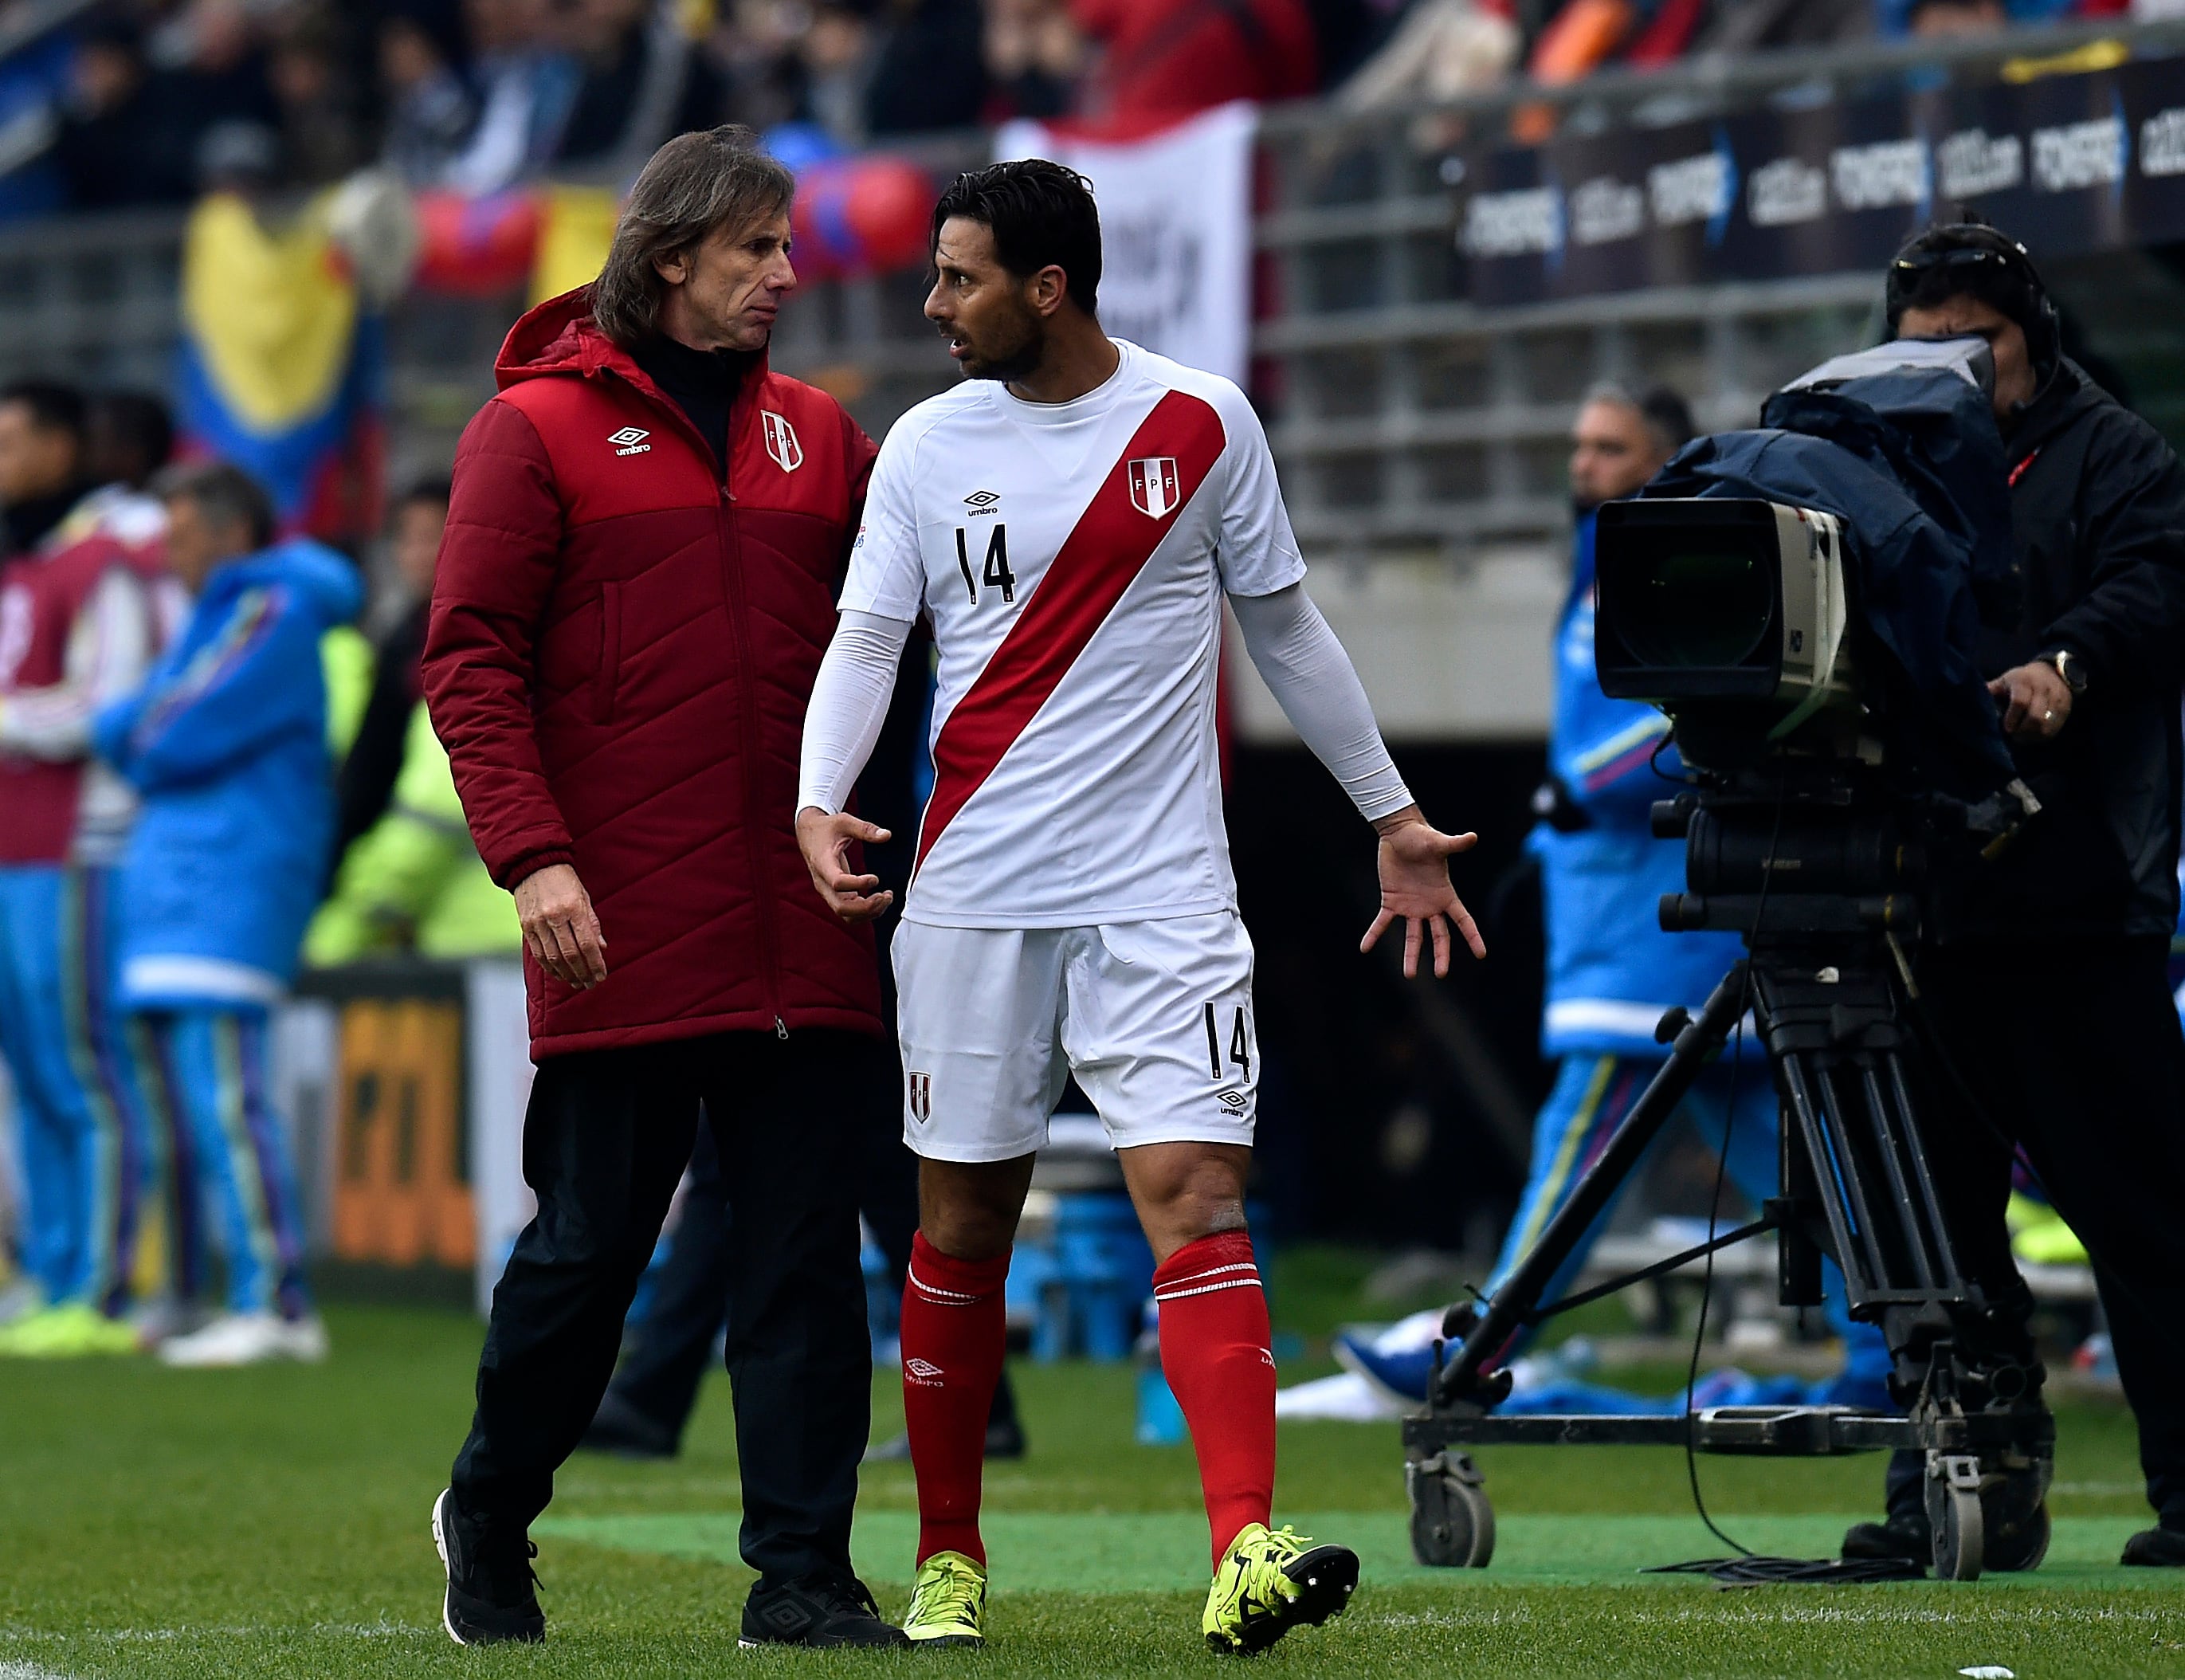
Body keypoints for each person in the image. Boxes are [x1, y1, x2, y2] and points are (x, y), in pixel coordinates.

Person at [795, 158, 1482, 1654]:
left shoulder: (1198, 421)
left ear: (1048, 288)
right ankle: (950, 1555)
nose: (933, 304)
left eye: (959, 277)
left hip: (1161, 892)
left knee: (1196, 1195)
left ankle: (1243, 1542)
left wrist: (1392, 816)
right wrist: (814, 795)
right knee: (962, 1219)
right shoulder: (922, 444)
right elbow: (865, 638)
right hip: (971, 890)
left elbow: (1285, 625)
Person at [421, 126, 904, 1651]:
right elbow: (467, 659)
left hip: (808, 919)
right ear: (671, 254)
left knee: (804, 1273)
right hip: (613, 914)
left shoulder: (826, 438)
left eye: (787, 245)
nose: (785, 271)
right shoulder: (533, 430)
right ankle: (490, 1505)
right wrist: (533, 852)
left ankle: (802, 1576)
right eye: (758, 247)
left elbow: (899, 646)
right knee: (583, 1260)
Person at [1336, 386, 1890, 1410]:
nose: (1584, 464)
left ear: (1666, 458)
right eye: (1579, 445)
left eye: (1610, 447)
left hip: (1650, 925)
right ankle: (1891, 1357)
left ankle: (1484, 1338)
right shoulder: (1600, 564)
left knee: (1582, 1144)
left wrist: (1576, 789)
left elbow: (1701, 701)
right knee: (1814, 1150)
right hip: (1657, 913)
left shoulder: (1669, 560)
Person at [1840, 221, 2185, 1568]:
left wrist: (2066, 662)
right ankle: (1955, 1494)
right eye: (1922, 342)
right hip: (1917, 905)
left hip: (2075, 899)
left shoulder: (2116, 454)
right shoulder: (1866, 462)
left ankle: (2184, 1493)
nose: (1949, 364)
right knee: (1928, 1232)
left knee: (2147, 1214)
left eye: (1974, 340)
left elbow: (2159, 583)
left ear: (2030, 337)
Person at [94, 461, 355, 1368]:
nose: (169, 553)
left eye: (179, 533)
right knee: (183, 1105)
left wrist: (121, 727)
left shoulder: (270, 607)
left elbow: (165, 728)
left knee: (226, 1098)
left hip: (229, 880)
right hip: (182, 883)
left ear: (228, 529)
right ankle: (205, 1292)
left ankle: (278, 1302)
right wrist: (129, 723)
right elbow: (150, 720)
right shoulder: (225, 611)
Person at [0, 381, 162, 1357]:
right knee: (27, 1069)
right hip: (13, 842)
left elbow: (113, 702)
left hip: (76, 845)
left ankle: (100, 1286)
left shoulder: (102, 562)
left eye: (15, 437)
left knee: (78, 1068)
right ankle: (49, 1270)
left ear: (66, 446)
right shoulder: (22, 564)